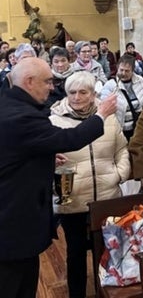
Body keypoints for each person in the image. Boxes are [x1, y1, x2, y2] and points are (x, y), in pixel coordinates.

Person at [0, 57, 117, 298]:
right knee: (15, 284)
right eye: (47, 81)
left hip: (16, 220)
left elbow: (15, 152)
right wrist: (102, 114)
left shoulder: (10, 106)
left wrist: (44, 157)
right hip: (13, 223)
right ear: (29, 81)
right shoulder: (23, 116)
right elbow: (69, 140)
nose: (52, 87)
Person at [49, 71, 130, 298]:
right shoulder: (55, 120)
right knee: (75, 253)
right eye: (72, 92)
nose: (76, 97)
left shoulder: (108, 118)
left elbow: (122, 148)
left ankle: (108, 291)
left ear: (93, 94)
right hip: (73, 198)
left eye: (82, 92)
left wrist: (120, 173)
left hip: (107, 195)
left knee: (107, 249)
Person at [100, 55, 143, 141]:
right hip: (120, 129)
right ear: (117, 68)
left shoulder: (140, 81)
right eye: (121, 70)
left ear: (133, 70)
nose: (123, 73)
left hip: (138, 128)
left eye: (127, 71)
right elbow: (103, 107)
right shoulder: (111, 85)